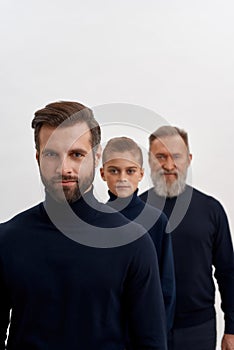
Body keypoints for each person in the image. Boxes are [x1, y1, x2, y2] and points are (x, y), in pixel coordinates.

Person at [0, 101, 167, 350]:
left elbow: (151, 343)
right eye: (51, 154)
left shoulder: (133, 242)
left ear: (96, 157)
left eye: (76, 154)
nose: (64, 168)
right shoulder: (7, 240)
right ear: (38, 158)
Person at [140, 125, 234, 350]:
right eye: (160, 156)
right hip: (145, 327)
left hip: (198, 329)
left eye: (176, 157)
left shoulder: (211, 210)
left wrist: (232, 328)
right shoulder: (134, 211)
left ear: (189, 159)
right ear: (149, 160)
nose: (169, 165)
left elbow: (228, 272)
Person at [100, 136, 176, 334]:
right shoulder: (94, 221)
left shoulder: (157, 221)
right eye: (114, 171)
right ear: (102, 173)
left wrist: (160, 335)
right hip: (101, 334)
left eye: (130, 171)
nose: (122, 178)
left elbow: (166, 288)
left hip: (143, 333)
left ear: (141, 174)